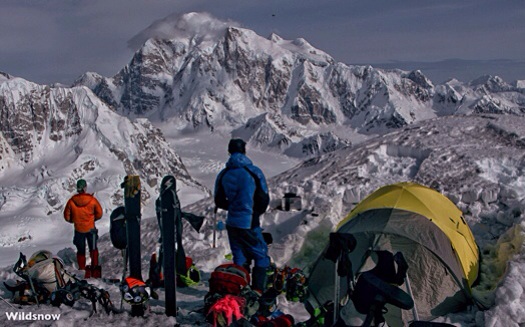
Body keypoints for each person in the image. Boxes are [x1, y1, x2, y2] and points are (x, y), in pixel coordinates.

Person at [214, 138, 271, 293]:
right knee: (261, 255)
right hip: (249, 221)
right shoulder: (253, 171)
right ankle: (258, 292)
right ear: (245, 151)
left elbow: (219, 200)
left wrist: (233, 207)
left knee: (239, 256)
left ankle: (238, 289)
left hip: (232, 221)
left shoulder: (224, 173)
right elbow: (263, 198)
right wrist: (254, 212)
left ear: (229, 151)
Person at [63, 179, 103, 271]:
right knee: (93, 248)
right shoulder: (92, 200)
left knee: (81, 251)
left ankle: (82, 268)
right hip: (91, 229)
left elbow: (66, 216)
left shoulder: (71, 201)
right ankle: (95, 268)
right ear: (85, 188)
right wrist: (92, 219)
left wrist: (74, 221)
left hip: (79, 229)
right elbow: (99, 213)